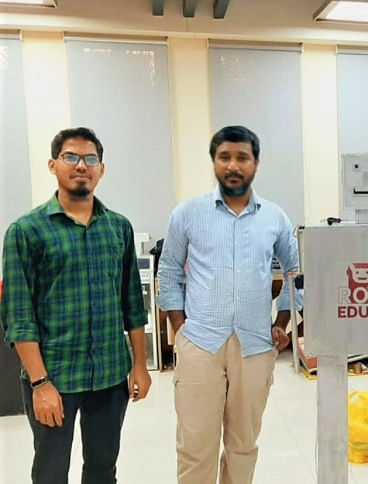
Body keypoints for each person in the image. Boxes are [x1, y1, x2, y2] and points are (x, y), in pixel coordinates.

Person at [0, 127, 151, 483]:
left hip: (110, 376)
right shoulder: (26, 231)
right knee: (51, 473)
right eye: (71, 157)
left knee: (102, 469)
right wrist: (40, 383)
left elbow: (132, 302)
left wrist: (139, 365)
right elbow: (19, 316)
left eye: (90, 159)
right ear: (53, 165)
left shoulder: (118, 228)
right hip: (55, 376)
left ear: (101, 169)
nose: (81, 166)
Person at [157, 125, 300, 484]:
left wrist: (282, 323)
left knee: (243, 446)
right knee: (195, 448)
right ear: (214, 161)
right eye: (225, 157)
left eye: (242, 157)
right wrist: (180, 329)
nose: (233, 165)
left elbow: (296, 275)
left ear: (256, 163)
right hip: (200, 343)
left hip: (255, 346)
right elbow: (169, 271)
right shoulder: (187, 214)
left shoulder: (275, 217)